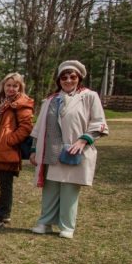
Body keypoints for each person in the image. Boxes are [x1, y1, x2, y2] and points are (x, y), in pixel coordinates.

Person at [30, 60, 108, 239]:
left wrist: (83, 141)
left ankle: (67, 226)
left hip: (73, 150)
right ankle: (45, 222)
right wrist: (34, 149)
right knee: (50, 188)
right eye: (64, 77)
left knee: (69, 189)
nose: (68, 80)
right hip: (50, 150)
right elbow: (39, 127)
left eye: (72, 77)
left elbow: (99, 123)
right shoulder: (50, 100)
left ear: (78, 78)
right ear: (59, 80)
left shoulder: (89, 96)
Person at [0, 73, 34, 228]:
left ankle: (0, 215)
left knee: (5, 183)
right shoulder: (1, 102)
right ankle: (5, 213)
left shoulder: (21, 103)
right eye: (8, 85)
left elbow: (26, 127)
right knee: (2, 182)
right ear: (3, 86)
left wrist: (9, 141)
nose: (11, 88)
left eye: (15, 86)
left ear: (20, 87)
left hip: (7, 149)